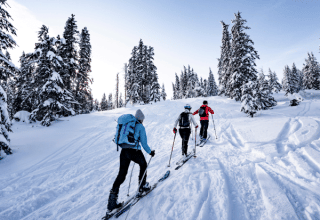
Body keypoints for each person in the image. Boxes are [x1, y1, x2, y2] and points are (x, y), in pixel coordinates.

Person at [107, 109, 155, 212]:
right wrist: (150, 152)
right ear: (141, 119)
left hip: (124, 152)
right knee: (143, 165)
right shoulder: (140, 127)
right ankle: (142, 187)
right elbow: (144, 144)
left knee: (122, 175)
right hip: (135, 152)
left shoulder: (126, 124)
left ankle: (112, 201)